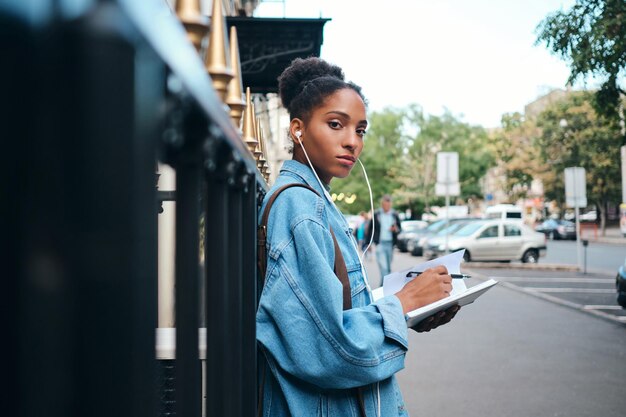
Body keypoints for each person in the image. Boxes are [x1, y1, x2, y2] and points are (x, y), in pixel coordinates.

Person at [257, 57, 458, 417]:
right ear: (297, 129)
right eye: (336, 125)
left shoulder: (316, 201)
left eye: (360, 130)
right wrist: (403, 303)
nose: (352, 142)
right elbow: (325, 347)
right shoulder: (301, 209)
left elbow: (335, 312)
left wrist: (413, 309)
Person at [366, 195, 402, 280]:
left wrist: (395, 229)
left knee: (388, 268)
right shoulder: (377, 214)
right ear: (382, 204)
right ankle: (383, 287)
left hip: (390, 244)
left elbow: (399, 229)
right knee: (384, 268)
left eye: (389, 205)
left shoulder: (394, 214)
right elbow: (371, 229)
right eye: (385, 205)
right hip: (380, 244)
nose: (387, 207)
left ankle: (384, 286)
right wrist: (368, 244)